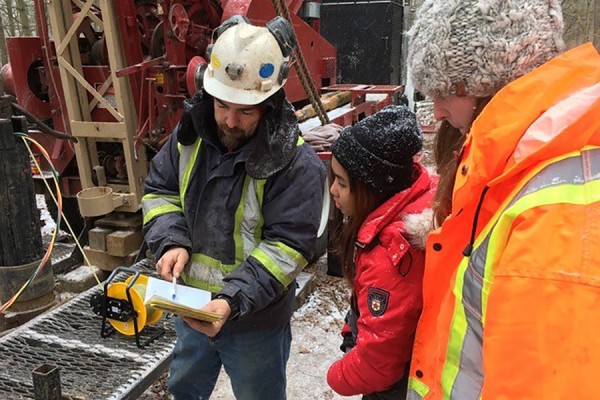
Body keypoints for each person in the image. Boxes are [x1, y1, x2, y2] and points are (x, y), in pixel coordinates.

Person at [405, 0, 600, 398]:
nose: (437, 111)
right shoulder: (518, 168)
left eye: (446, 90)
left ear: (494, 81)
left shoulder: (555, 222)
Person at [141, 15, 326, 400]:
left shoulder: (295, 163)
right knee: (185, 389)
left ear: (270, 104)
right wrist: (171, 241)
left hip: (255, 321)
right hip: (192, 309)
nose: (229, 120)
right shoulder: (190, 135)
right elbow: (159, 190)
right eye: (222, 106)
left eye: (245, 111)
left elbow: (287, 247)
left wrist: (232, 300)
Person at [326, 105, 436, 399]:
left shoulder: (390, 255)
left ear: (371, 189)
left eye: (343, 183)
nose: (333, 190)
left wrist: (336, 376)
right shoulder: (413, 198)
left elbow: (377, 365)